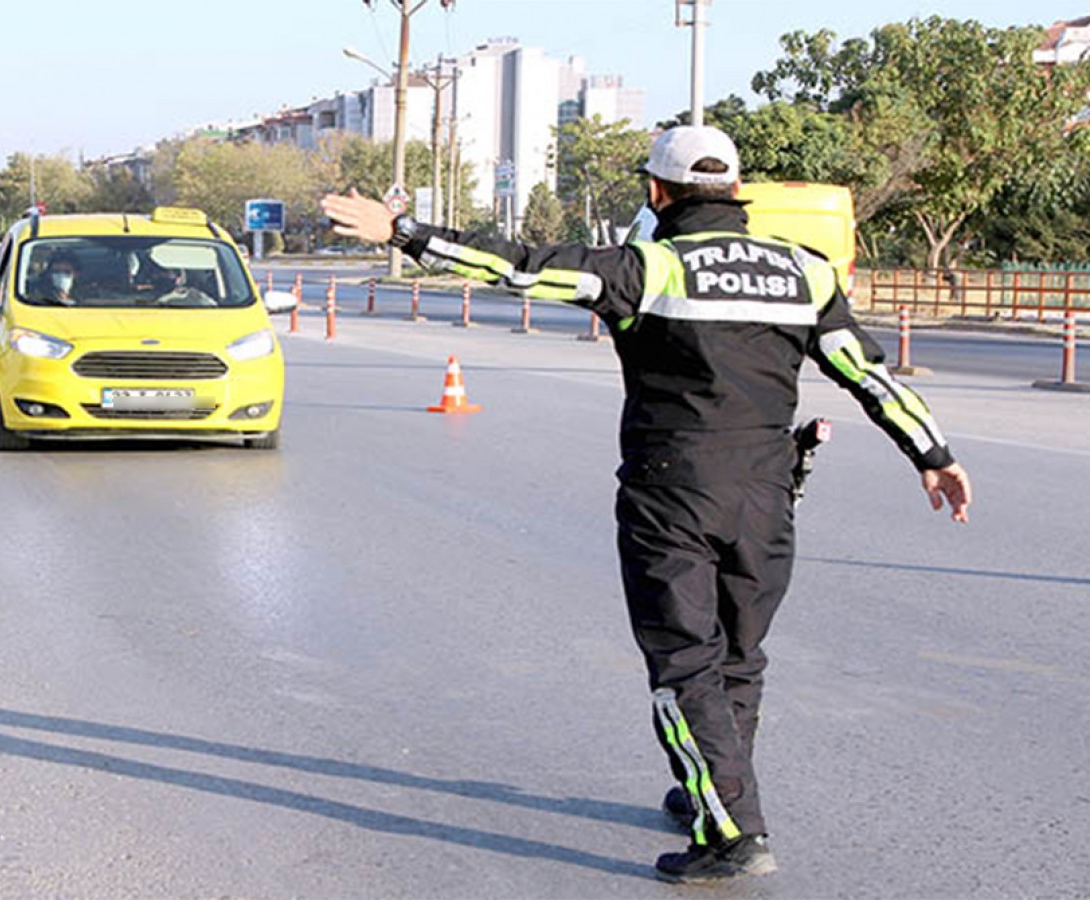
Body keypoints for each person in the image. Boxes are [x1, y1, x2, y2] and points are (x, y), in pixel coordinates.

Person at [322, 125, 972, 884]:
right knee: (738, 655)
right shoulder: (806, 271)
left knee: (681, 663)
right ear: (735, 192)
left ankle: (733, 831)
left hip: (673, 491)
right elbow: (868, 375)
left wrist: (404, 232)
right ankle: (711, 790)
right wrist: (933, 454)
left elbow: (517, 269)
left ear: (658, 193)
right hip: (768, 493)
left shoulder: (646, 266)